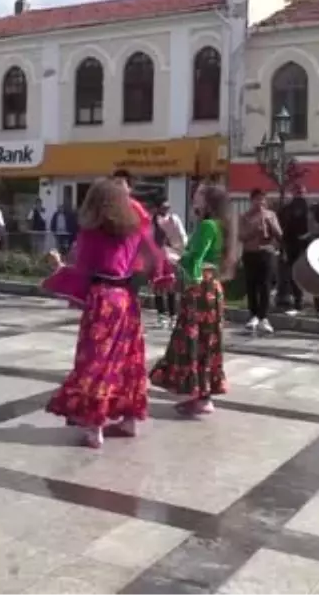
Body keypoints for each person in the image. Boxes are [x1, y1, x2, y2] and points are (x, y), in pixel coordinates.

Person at [45, 178, 160, 448]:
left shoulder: (91, 232)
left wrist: (59, 268)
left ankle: (95, 426)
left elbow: (82, 270)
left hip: (103, 299)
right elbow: (156, 258)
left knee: (95, 360)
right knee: (128, 360)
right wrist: (137, 277)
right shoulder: (135, 229)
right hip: (127, 300)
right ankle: (129, 419)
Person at [151, 184, 235, 417]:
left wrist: (174, 257)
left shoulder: (208, 225)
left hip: (201, 289)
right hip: (211, 287)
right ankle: (202, 395)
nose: (193, 199)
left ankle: (202, 396)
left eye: (198, 196)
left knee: (195, 340)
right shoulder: (218, 225)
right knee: (206, 341)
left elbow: (194, 261)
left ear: (207, 201)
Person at [239, 188, 282, 334]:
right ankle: (253, 315)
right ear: (252, 200)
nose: (260, 202)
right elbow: (241, 236)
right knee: (251, 285)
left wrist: (271, 225)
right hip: (251, 253)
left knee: (265, 285)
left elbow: (279, 235)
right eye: (257, 199)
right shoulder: (245, 217)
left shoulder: (271, 215)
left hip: (267, 252)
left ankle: (264, 317)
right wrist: (254, 231)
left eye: (263, 199)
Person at [279, 184, 313, 315]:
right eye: (297, 192)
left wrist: (309, 235)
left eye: (302, 192)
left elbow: (316, 225)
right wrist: (283, 247)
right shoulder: (287, 209)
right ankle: (297, 301)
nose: (300, 195)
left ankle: (318, 306)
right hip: (292, 245)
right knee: (294, 274)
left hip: (309, 245)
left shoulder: (311, 208)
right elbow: (283, 228)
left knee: (311, 274)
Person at [152, 200, 186, 326]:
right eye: (163, 207)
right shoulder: (153, 221)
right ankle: (161, 315)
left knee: (171, 286)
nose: (166, 210)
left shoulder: (173, 219)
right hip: (157, 256)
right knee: (158, 286)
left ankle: (173, 315)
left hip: (170, 255)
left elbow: (181, 236)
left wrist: (180, 249)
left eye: (168, 207)